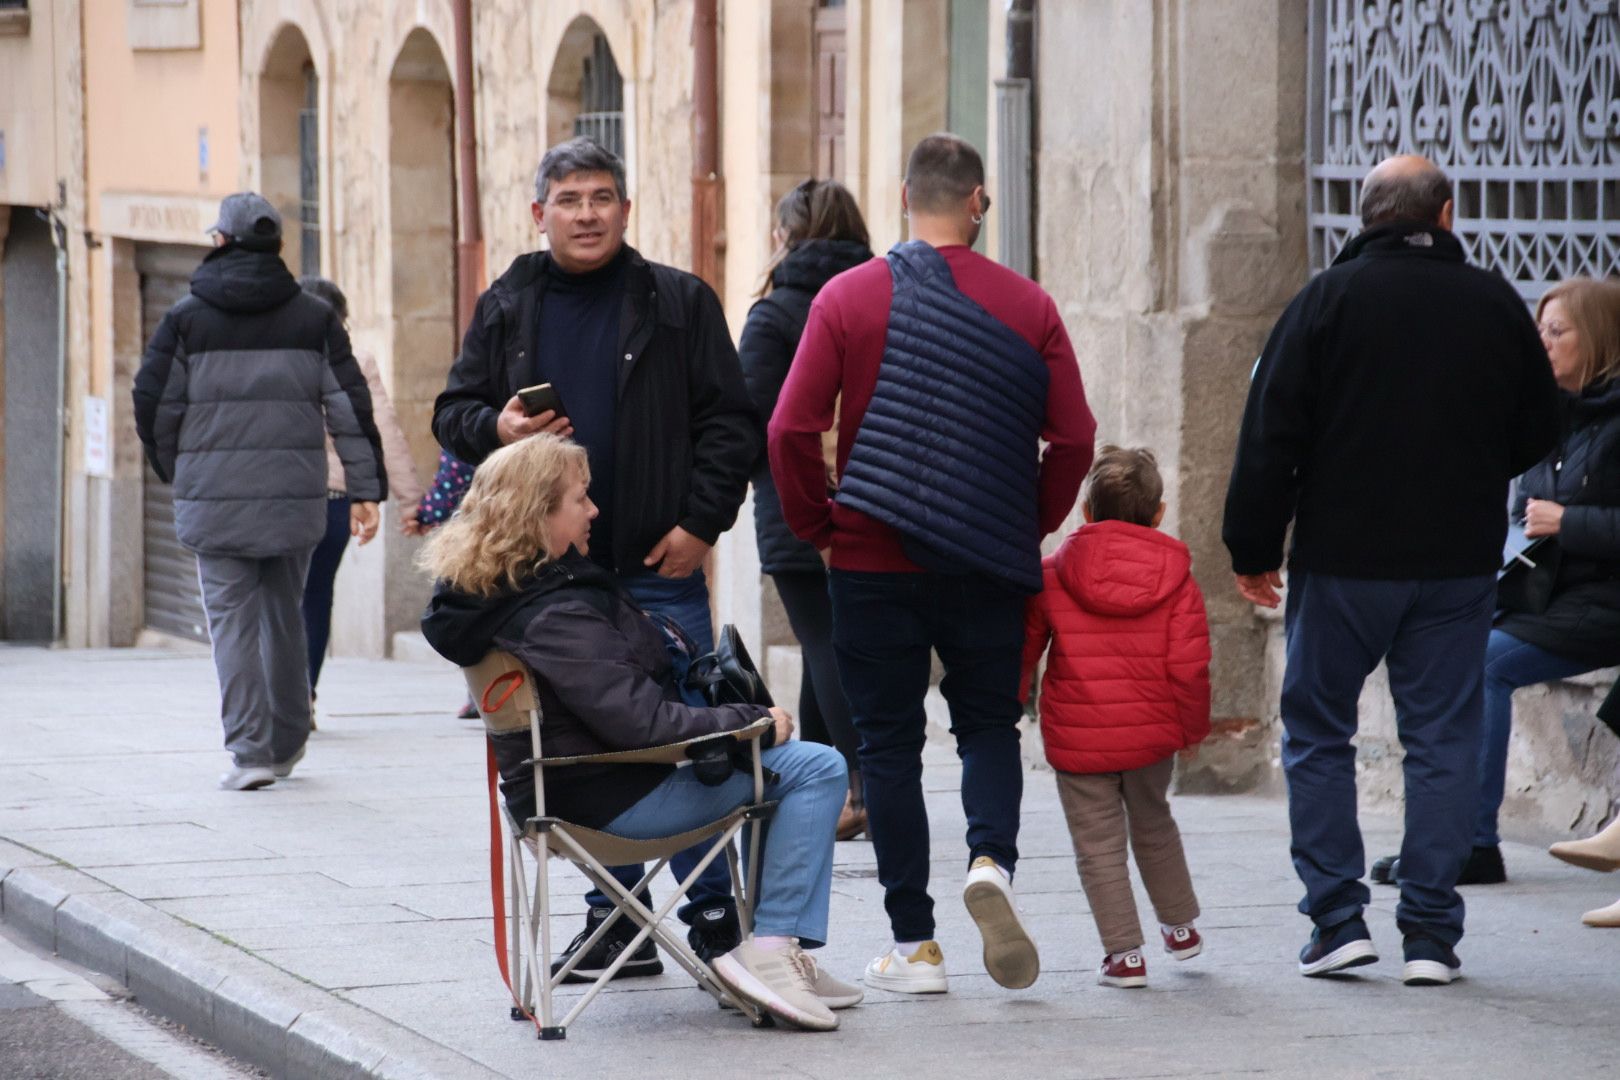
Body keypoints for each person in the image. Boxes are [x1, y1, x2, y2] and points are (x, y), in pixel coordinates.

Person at [1221, 155, 1561, 987]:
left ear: (1365, 218)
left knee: (1317, 734)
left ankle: (1338, 921)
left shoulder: (1324, 303)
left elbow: (1271, 434)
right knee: (1443, 739)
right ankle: (1432, 938)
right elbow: (1540, 425)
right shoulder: (1492, 303)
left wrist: (1252, 549)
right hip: (1455, 564)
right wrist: (1477, 470)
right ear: (1447, 215)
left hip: (1344, 563)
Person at [769, 133, 1097, 993]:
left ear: (902, 194)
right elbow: (1075, 437)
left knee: (889, 744)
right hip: (988, 558)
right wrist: (1027, 521)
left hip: (872, 558)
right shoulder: (1031, 305)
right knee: (989, 724)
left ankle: (915, 948)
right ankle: (990, 861)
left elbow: (790, 430)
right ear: (978, 201)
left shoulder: (847, 298)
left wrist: (820, 525)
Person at [431, 137, 760, 979]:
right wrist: (496, 428)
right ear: (539, 212)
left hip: (660, 569)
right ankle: (617, 919)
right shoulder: (508, 301)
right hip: (549, 588)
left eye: (602, 197)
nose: (587, 213)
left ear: (625, 208)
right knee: (583, 750)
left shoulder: (679, 301)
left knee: (692, 736)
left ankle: (719, 919)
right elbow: (454, 411)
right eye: (570, 199)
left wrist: (701, 523)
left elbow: (731, 424)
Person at [418, 433, 855, 1031]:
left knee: (774, 767)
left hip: (577, 788)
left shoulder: (510, 594)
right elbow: (640, 724)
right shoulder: (553, 611)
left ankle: (781, 951)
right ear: (538, 513)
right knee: (815, 766)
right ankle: (773, 950)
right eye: (581, 498)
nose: (594, 510)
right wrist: (747, 723)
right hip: (611, 800)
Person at [1371, 277, 1620, 892]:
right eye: (1539, 329)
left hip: (1604, 600)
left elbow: (1560, 516)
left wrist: (1569, 522)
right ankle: (1438, 836)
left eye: (1557, 331)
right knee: (1436, 647)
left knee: (1482, 664)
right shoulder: (1544, 415)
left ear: (1598, 339)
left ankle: (1473, 844)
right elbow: (1514, 508)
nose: (1543, 343)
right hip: (1542, 591)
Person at [132, 193, 386, 791]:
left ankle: (249, 753)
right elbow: (349, 406)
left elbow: (152, 403)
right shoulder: (313, 318)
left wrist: (178, 468)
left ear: (220, 241)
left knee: (232, 625)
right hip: (294, 496)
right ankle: (289, 741)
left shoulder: (185, 318)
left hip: (213, 498)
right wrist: (365, 488)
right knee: (285, 617)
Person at [1020, 446, 1211, 989]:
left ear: (1085, 511)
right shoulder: (1178, 580)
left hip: (1079, 738)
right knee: (1155, 823)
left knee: (1097, 846)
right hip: (1152, 736)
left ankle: (1124, 955)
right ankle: (1180, 927)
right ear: (1159, 513)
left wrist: (1008, 703)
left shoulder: (1052, 576)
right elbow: (1191, 666)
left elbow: (1025, 649)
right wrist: (1192, 729)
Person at [738, 178, 873, 841]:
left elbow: (750, 420)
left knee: (827, 644)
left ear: (785, 237)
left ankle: (866, 785)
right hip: (877, 498)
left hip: (797, 505)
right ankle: (823, 789)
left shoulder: (776, 314)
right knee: (834, 643)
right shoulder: (885, 297)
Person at [297, 277, 425, 722]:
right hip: (334, 499)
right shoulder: (354, 360)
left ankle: (281, 693)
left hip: (283, 497)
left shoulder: (278, 359)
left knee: (280, 597)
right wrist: (411, 501)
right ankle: (304, 695)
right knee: (316, 595)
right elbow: (384, 431)